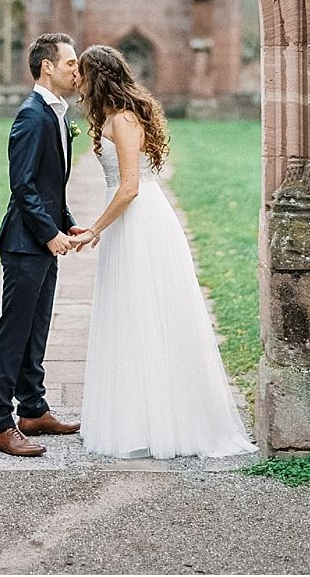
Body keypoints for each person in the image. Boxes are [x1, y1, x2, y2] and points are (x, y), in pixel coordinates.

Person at [72, 45, 256, 460]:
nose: (77, 82)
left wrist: (95, 229)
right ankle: (135, 416)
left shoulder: (122, 119)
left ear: (97, 76)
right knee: (129, 314)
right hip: (130, 223)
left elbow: (131, 187)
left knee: (148, 312)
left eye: (81, 73)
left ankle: (165, 422)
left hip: (140, 223)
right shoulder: (113, 116)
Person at [0, 32, 90, 457]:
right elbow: (23, 186)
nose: (76, 71)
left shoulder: (58, 116)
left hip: (43, 240)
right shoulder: (32, 116)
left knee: (37, 328)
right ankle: (0, 426)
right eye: (70, 64)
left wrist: (67, 224)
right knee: (14, 332)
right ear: (47, 66)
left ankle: (33, 409)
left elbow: (50, 188)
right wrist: (49, 234)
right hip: (25, 244)